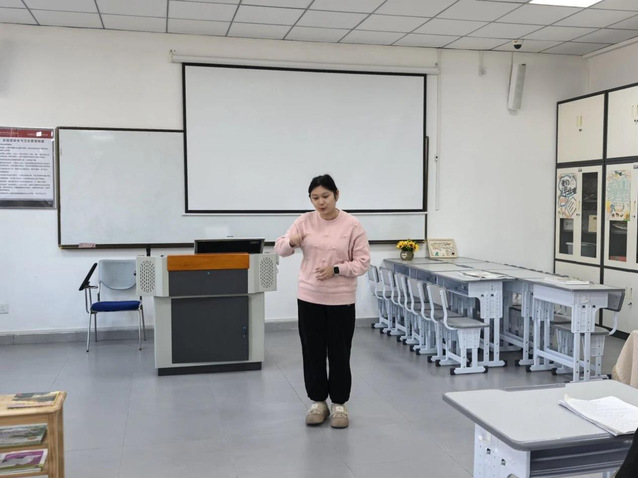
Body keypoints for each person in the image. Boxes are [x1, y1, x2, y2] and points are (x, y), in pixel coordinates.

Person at [274, 174, 370, 429]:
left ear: (336, 195)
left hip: (341, 300)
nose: (320, 202)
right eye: (315, 198)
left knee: (339, 352)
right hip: (309, 297)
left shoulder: (352, 225)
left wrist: (337, 269)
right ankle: (318, 402)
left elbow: (363, 263)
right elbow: (280, 249)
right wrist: (290, 242)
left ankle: (339, 404)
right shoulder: (304, 221)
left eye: (325, 196)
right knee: (312, 350)